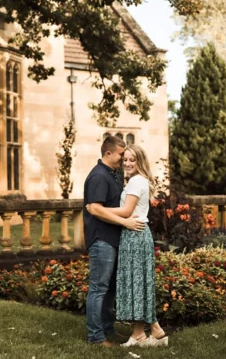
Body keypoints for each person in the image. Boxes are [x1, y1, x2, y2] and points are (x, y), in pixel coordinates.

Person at [87, 144, 168, 347]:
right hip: (135, 234)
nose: (128, 163)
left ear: (140, 161)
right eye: (125, 159)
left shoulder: (136, 182)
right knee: (138, 283)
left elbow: (126, 211)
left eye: (132, 159)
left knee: (136, 283)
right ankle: (148, 331)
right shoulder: (136, 181)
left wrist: (97, 208)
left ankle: (145, 333)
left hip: (135, 234)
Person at [84, 136, 146, 347]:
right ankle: (96, 337)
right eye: (121, 155)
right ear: (108, 153)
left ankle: (108, 330)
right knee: (99, 288)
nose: (124, 159)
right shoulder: (99, 176)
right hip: (101, 239)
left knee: (109, 289)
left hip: (112, 239)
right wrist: (125, 222)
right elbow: (96, 209)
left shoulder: (113, 174)